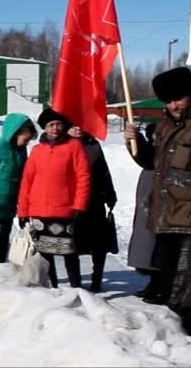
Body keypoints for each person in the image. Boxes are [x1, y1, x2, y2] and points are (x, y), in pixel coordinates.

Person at [124, 67, 191, 338]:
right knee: (171, 283)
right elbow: (151, 163)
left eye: (178, 99)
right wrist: (134, 142)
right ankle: (182, 339)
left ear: (190, 93)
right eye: (168, 100)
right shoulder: (164, 124)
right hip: (166, 214)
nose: (173, 105)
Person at [18, 109, 90, 288]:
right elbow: (27, 181)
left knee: (69, 252)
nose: (55, 128)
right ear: (44, 128)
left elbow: (83, 177)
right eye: (51, 125)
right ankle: (52, 289)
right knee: (44, 254)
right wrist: (23, 211)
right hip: (38, 211)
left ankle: (76, 288)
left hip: (65, 210)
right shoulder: (36, 150)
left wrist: (79, 205)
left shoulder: (74, 146)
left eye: (58, 124)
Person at [0, 113, 37, 264]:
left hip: (9, 203)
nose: (26, 143)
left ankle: (0, 268)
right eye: (25, 139)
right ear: (16, 133)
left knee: (5, 237)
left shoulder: (21, 150)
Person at [67, 125, 117, 292]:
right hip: (70, 202)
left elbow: (103, 171)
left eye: (81, 125)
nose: (79, 129)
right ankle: (75, 283)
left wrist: (110, 193)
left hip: (94, 200)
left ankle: (97, 280)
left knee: (98, 244)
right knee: (72, 243)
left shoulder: (93, 145)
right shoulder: (61, 144)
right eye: (74, 125)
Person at [126, 123, 162, 300]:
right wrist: (134, 139)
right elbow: (145, 157)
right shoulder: (151, 156)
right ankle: (155, 282)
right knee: (148, 241)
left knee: (158, 242)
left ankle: (161, 284)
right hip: (149, 191)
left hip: (167, 195)